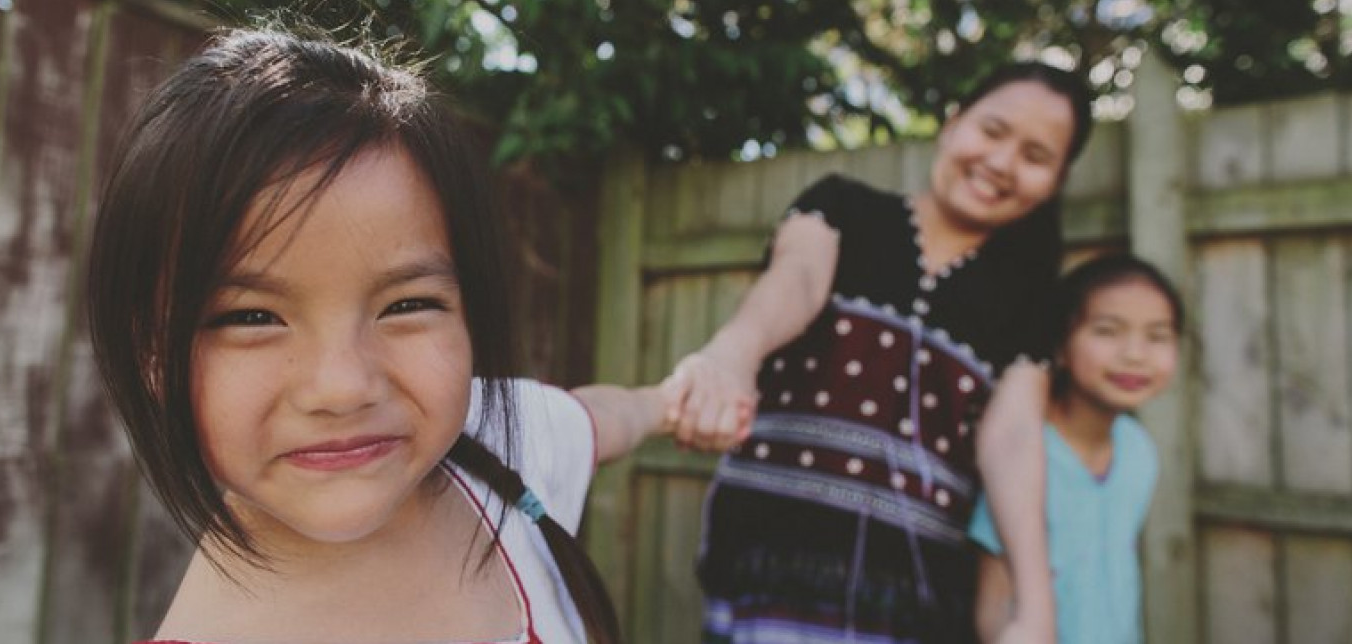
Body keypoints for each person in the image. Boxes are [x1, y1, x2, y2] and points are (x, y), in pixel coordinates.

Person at [85, 25, 670, 644]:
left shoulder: (494, 445)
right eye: (252, 317)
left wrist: (689, 391)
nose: (342, 388)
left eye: (408, 304)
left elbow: (610, 415)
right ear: (152, 353)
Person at [662, 61, 1096, 643]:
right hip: (770, 567)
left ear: (1056, 182)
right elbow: (797, 280)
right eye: (992, 131)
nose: (1000, 163)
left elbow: (1015, 439)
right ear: (952, 123)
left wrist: (1036, 608)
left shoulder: (1030, 297)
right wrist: (731, 354)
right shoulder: (842, 207)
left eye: (1036, 156)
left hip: (915, 602)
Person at [970, 254, 1182, 644]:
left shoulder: (1138, 452)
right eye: (1107, 331)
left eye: (1157, 336)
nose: (1135, 354)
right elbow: (993, 603)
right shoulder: (1022, 459)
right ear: (1060, 347)